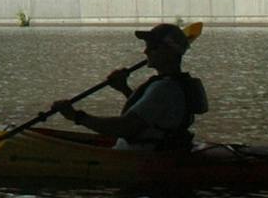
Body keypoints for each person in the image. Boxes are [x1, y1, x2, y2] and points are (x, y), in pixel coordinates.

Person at [52, 22, 207, 151]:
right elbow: (153, 116)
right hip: (155, 150)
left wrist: (76, 116)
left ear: (168, 51)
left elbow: (125, 127)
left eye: (152, 47)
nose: (145, 51)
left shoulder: (164, 89)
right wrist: (124, 89)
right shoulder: (173, 85)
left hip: (143, 159)